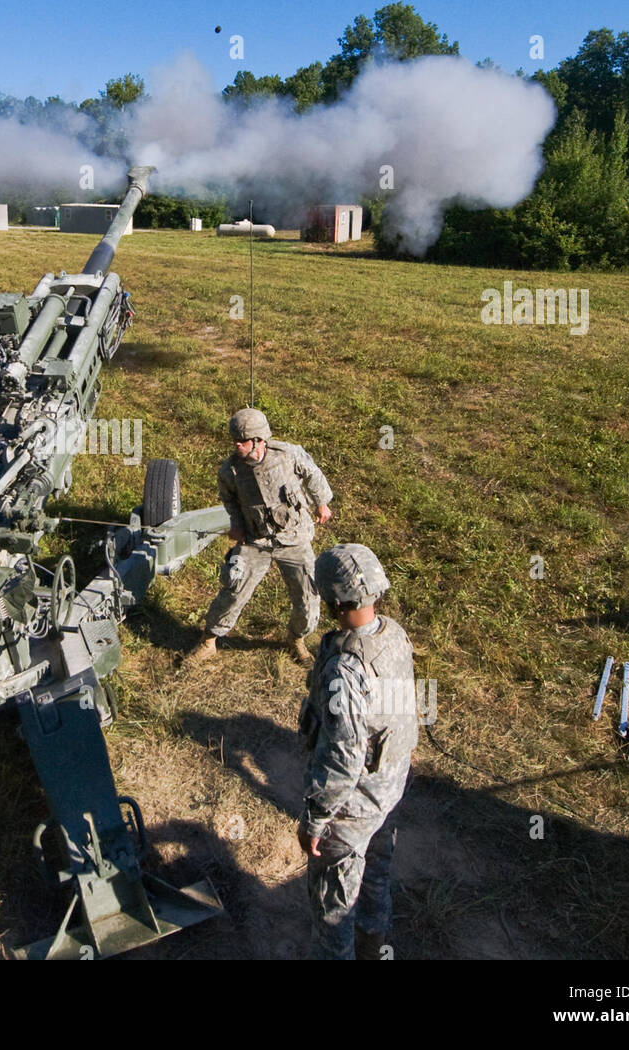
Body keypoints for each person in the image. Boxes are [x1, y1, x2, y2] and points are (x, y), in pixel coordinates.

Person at [297, 543, 417, 959]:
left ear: (331, 600)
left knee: (334, 910)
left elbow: (342, 760)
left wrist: (315, 819)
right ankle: (374, 948)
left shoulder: (345, 671)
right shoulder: (394, 635)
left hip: (352, 809)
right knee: (376, 881)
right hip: (390, 788)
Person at [187, 408, 332, 665]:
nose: (236, 445)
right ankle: (209, 640)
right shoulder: (229, 471)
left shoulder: (287, 455)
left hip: (293, 536)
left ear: (259, 440)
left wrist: (322, 503)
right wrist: (236, 524)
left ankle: (296, 638)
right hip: (256, 540)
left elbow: (313, 474)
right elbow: (229, 500)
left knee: (308, 594)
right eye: (235, 440)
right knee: (234, 588)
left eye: (242, 440)